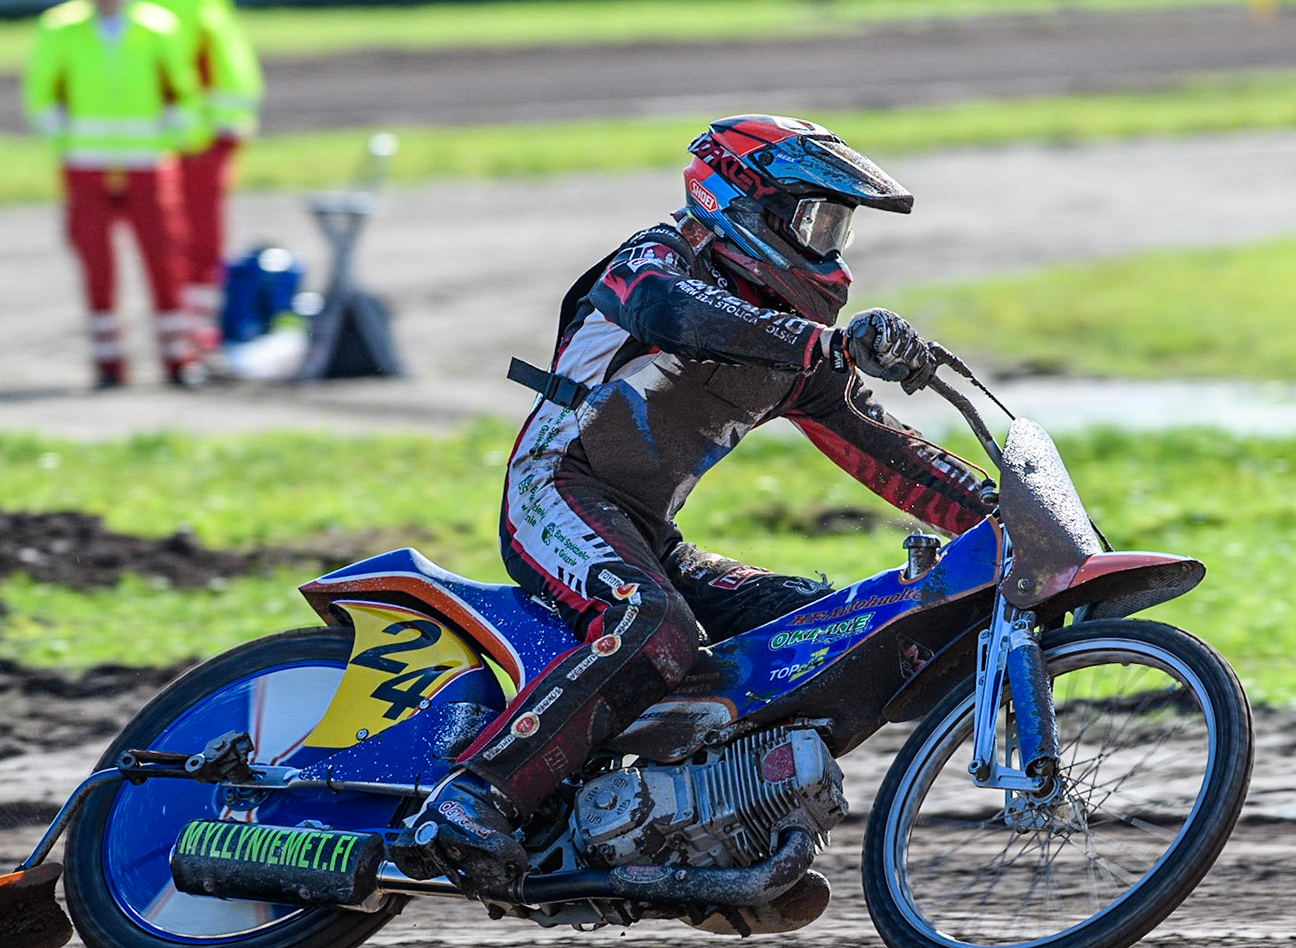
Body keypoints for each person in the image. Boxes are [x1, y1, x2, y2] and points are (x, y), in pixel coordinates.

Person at [410, 115, 994, 903]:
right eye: (813, 219)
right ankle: (477, 794)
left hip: (651, 535)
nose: (827, 246)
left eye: (838, 226)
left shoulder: (798, 348)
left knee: (831, 626)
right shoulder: (657, 258)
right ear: (739, 200)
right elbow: (671, 313)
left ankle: (708, 839)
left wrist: (1010, 516)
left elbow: (889, 453)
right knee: (654, 624)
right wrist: (829, 346)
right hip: (557, 491)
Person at [24, 0, 209, 388]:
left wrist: (173, 141)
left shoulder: (158, 26)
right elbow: (41, 89)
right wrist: (64, 142)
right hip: (87, 166)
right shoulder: (60, 27)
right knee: (96, 262)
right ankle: (108, 361)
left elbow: (182, 90)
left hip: (146, 165)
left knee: (165, 257)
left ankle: (179, 357)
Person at [155, 0, 264, 351]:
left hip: (199, 140)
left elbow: (232, 72)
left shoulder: (202, 8)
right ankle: (191, 329)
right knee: (183, 239)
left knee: (198, 239)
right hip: (182, 143)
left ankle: (197, 328)